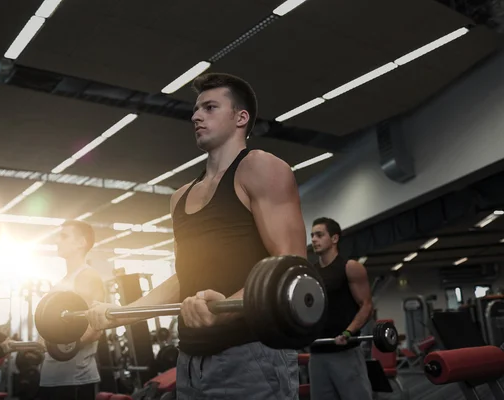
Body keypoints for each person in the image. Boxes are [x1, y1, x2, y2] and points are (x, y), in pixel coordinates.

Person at [87, 73, 308, 399]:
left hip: (250, 354)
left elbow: (291, 270)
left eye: (210, 107)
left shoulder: (260, 168)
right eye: (196, 109)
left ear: (240, 117)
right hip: (190, 359)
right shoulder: (180, 197)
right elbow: (183, 277)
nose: (195, 116)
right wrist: (120, 313)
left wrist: (229, 306)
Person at [38, 220, 106, 400]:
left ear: (81, 243)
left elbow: (94, 327)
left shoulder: (87, 276)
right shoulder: (62, 282)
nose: (57, 241)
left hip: (75, 380)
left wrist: (58, 348)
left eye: (64, 236)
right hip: (52, 376)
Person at [308, 217, 374, 400]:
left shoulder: (350, 267)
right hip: (317, 354)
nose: (313, 239)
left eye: (319, 235)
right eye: (312, 235)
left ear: (334, 239)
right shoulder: (310, 273)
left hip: (345, 351)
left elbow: (366, 305)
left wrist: (348, 332)